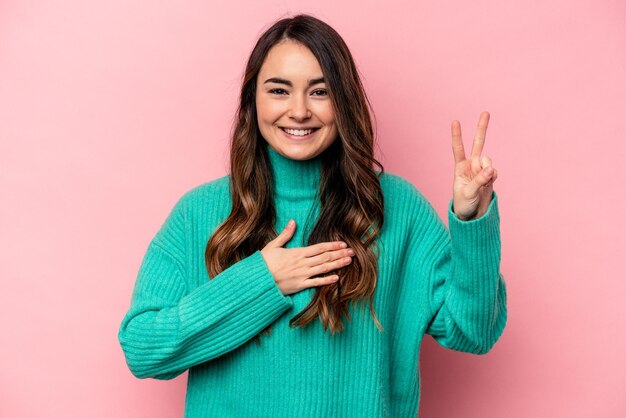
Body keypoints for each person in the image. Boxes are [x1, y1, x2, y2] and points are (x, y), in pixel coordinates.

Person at [118, 13, 507, 418]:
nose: (299, 111)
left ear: (344, 100)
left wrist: (472, 220)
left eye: (319, 92)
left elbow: (473, 331)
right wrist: (263, 281)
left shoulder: (397, 208)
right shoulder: (198, 213)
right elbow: (143, 349)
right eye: (279, 90)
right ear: (254, 98)